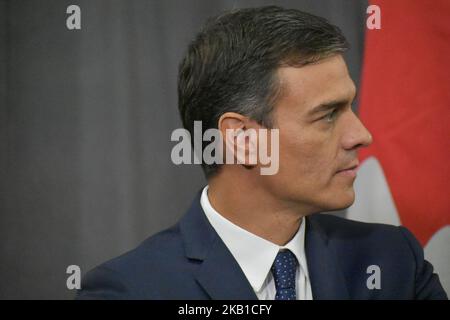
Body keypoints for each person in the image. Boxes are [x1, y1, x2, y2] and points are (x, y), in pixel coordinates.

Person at [77, 6, 447, 300]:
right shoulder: (130, 291)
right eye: (328, 115)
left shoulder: (393, 260)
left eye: (351, 107)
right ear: (242, 140)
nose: (361, 135)